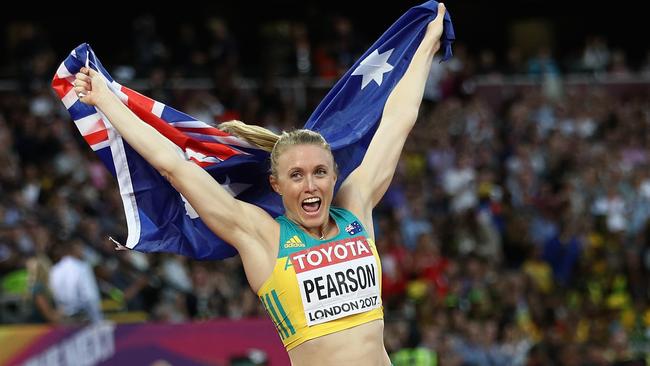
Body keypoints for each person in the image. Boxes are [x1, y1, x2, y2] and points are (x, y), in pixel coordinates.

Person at [72, 3, 447, 365]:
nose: (310, 184)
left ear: (334, 176)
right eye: (296, 176)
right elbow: (174, 166)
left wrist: (427, 43)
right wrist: (105, 100)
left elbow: (398, 120)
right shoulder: (261, 236)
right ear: (276, 184)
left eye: (319, 172)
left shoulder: (355, 208)